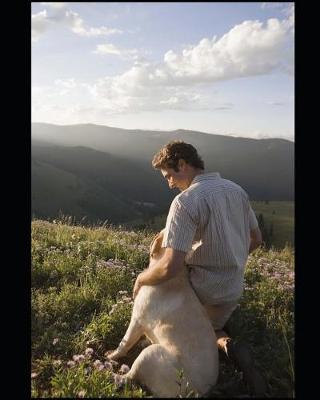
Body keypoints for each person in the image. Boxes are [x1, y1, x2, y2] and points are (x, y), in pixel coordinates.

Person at [132, 140, 266, 396]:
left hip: (198, 290)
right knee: (212, 327)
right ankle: (228, 345)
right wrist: (232, 258)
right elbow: (257, 240)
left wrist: (142, 278)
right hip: (232, 289)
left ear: (182, 164)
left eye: (169, 175)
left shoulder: (185, 202)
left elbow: (170, 267)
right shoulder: (237, 190)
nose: (169, 182)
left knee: (156, 300)